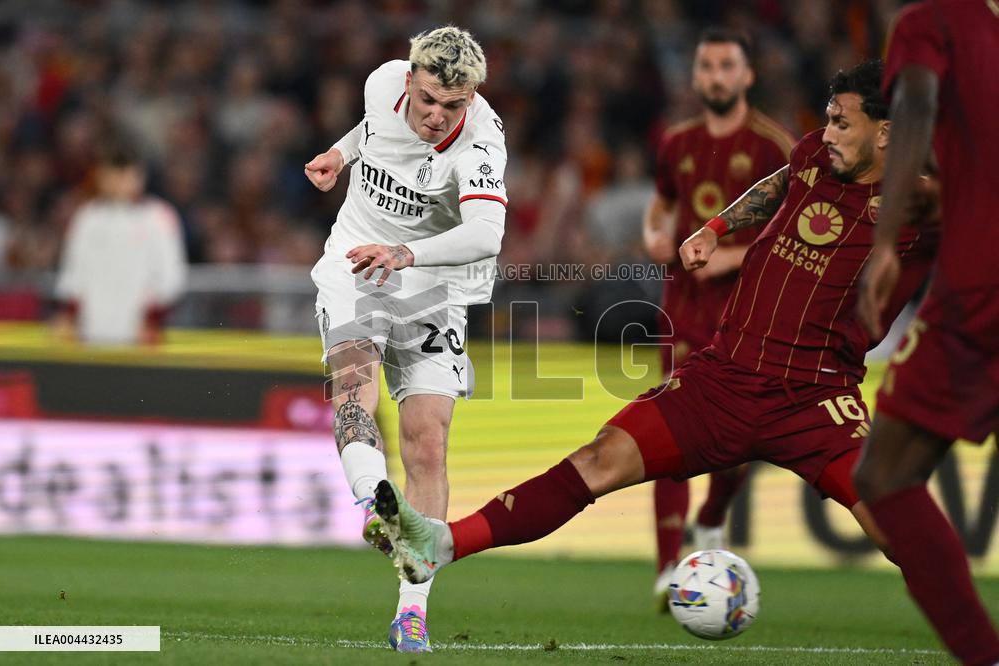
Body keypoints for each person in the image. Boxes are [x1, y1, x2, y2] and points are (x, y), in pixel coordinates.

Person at [371, 61, 937, 596]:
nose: (827, 131)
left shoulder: (925, 204)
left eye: (842, 121)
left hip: (816, 399)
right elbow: (780, 183)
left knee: (899, 531)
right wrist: (716, 227)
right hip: (724, 377)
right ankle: (441, 544)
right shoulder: (816, 154)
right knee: (597, 460)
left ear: (886, 133)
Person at [304, 26, 507, 653]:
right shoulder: (382, 81)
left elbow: (486, 234)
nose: (436, 115)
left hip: (436, 284)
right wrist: (342, 156)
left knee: (428, 442)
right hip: (358, 261)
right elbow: (372, 130)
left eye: (452, 105)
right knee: (354, 386)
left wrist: (408, 253)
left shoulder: (483, 139)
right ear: (410, 81)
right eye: (427, 100)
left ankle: (411, 612)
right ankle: (374, 503)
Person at [853, 2, 999, 664]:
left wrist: (886, 243)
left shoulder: (935, 18)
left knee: (886, 476)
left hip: (981, 291)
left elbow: (913, 99)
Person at [642, 27, 794, 608]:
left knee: (743, 439)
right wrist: (654, 233)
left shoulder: (774, 148)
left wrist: (732, 253)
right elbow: (660, 203)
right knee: (667, 430)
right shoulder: (676, 142)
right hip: (683, 309)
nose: (716, 77)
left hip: (750, 311)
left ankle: (711, 517)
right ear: (696, 75)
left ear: (747, 75)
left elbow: (796, 227)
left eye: (727, 66)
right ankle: (664, 570)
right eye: (707, 66)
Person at [53, 138, 187, 345]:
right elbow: (74, 275)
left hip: (141, 338)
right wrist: (69, 316)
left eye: (124, 174)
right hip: (91, 335)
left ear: (139, 175)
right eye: (111, 174)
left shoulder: (158, 217)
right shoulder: (88, 218)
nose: (117, 181)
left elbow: (171, 279)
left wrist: (152, 318)